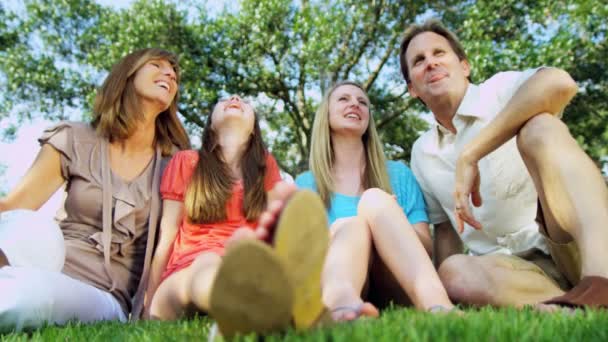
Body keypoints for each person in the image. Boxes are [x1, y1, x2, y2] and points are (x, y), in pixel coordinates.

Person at [400, 19, 608, 309]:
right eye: (419, 61)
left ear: (464, 67)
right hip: (514, 272)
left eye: (439, 53)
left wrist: (471, 153)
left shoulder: (497, 90)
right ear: (412, 88)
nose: (431, 63)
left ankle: (601, 280)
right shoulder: (422, 152)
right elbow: (446, 231)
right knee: (452, 270)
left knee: (540, 128)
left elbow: (561, 83)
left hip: (569, 241)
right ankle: (560, 308)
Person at [0, 48, 191, 332]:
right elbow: (14, 208)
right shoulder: (74, 138)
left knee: (30, 294)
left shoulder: (176, 164)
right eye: (157, 65)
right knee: (31, 226)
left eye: (174, 73)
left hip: (100, 293)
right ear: (127, 74)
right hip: (47, 259)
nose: (170, 74)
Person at [145, 95, 330, 337]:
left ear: (253, 131)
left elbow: (274, 228)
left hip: (249, 262)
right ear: (211, 125)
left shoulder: (265, 165)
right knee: (208, 261)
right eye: (222, 101)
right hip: (185, 275)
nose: (234, 99)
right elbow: (166, 236)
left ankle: (264, 302)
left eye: (245, 102)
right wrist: (147, 307)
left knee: (246, 243)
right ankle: (245, 300)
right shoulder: (187, 162)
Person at [295, 81, 456, 321]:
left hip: (394, 281)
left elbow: (425, 245)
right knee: (352, 225)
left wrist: (389, 217)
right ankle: (340, 306)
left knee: (374, 200)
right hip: (336, 276)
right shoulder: (305, 185)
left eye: (362, 102)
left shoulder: (398, 174)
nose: (355, 104)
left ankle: (438, 306)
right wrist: (354, 228)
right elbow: (302, 257)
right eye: (343, 99)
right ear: (325, 114)